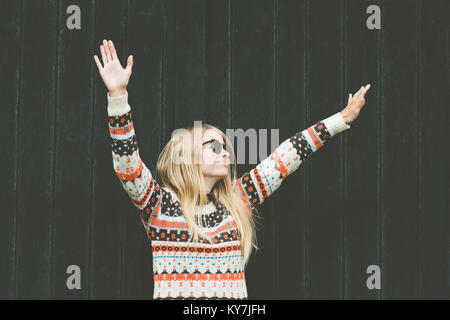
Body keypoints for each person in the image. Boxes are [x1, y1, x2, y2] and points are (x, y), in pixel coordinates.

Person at [94, 39, 371, 300]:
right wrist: (118, 95)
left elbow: (286, 156)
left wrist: (340, 120)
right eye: (213, 146)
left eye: (225, 146)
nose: (224, 151)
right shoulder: (158, 205)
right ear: (187, 156)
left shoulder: (237, 199)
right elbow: (127, 164)